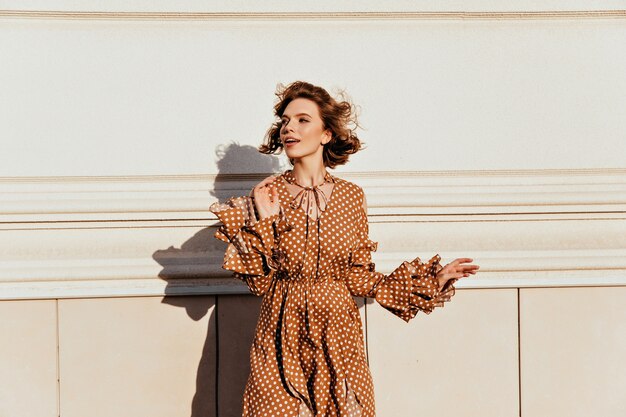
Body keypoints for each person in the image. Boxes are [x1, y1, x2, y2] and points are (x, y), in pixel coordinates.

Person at [209, 81, 480, 417]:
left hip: (338, 336)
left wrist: (431, 281)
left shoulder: (352, 196)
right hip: (281, 334)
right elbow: (260, 284)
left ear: (326, 134)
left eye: (302, 119)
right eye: (286, 121)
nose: (289, 128)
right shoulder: (266, 196)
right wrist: (266, 221)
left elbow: (360, 278)